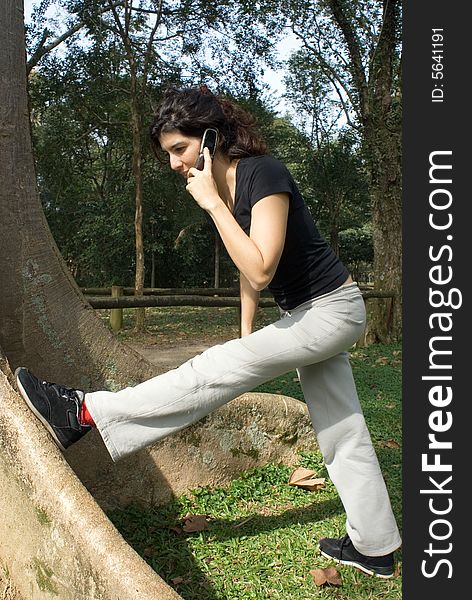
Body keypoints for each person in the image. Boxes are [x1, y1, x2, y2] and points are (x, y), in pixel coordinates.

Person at [15, 85, 401, 578]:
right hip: (312, 315)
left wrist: (215, 206)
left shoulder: (266, 173)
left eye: (181, 148)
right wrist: (244, 334)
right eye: (168, 154)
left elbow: (261, 268)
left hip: (330, 311)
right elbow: (248, 270)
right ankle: (376, 545)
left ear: (212, 136)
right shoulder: (229, 189)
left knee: (209, 369)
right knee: (341, 428)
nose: (176, 163)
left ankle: (83, 412)